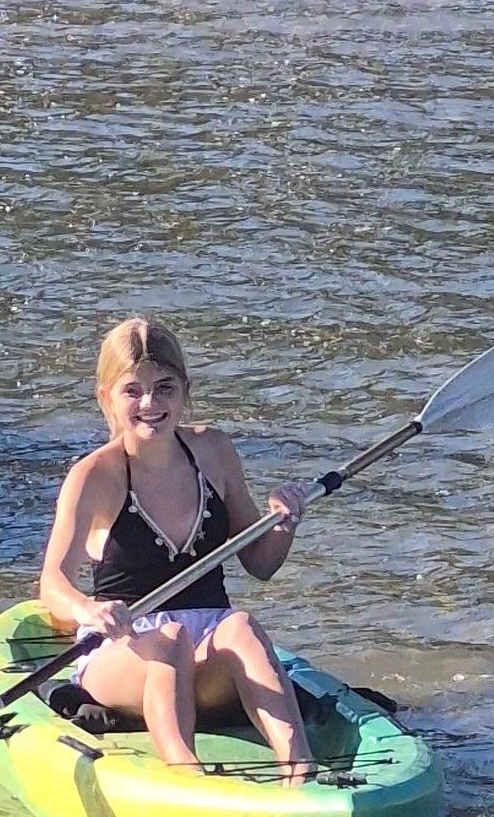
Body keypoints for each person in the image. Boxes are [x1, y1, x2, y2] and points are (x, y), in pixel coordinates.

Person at [34, 316, 321, 780]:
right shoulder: (94, 476)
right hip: (125, 649)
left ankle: (301, 770)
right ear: (106, 397)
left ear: (186, 391)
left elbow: (261, 563)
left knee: (242, 625)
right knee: (168, 643)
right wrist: (89, 609)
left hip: (207, 648)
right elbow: (52, 583)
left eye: (165, 387)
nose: (151, 403)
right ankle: (187, 778)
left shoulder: (215, 452)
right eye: (133, 390)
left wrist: (283, 523)